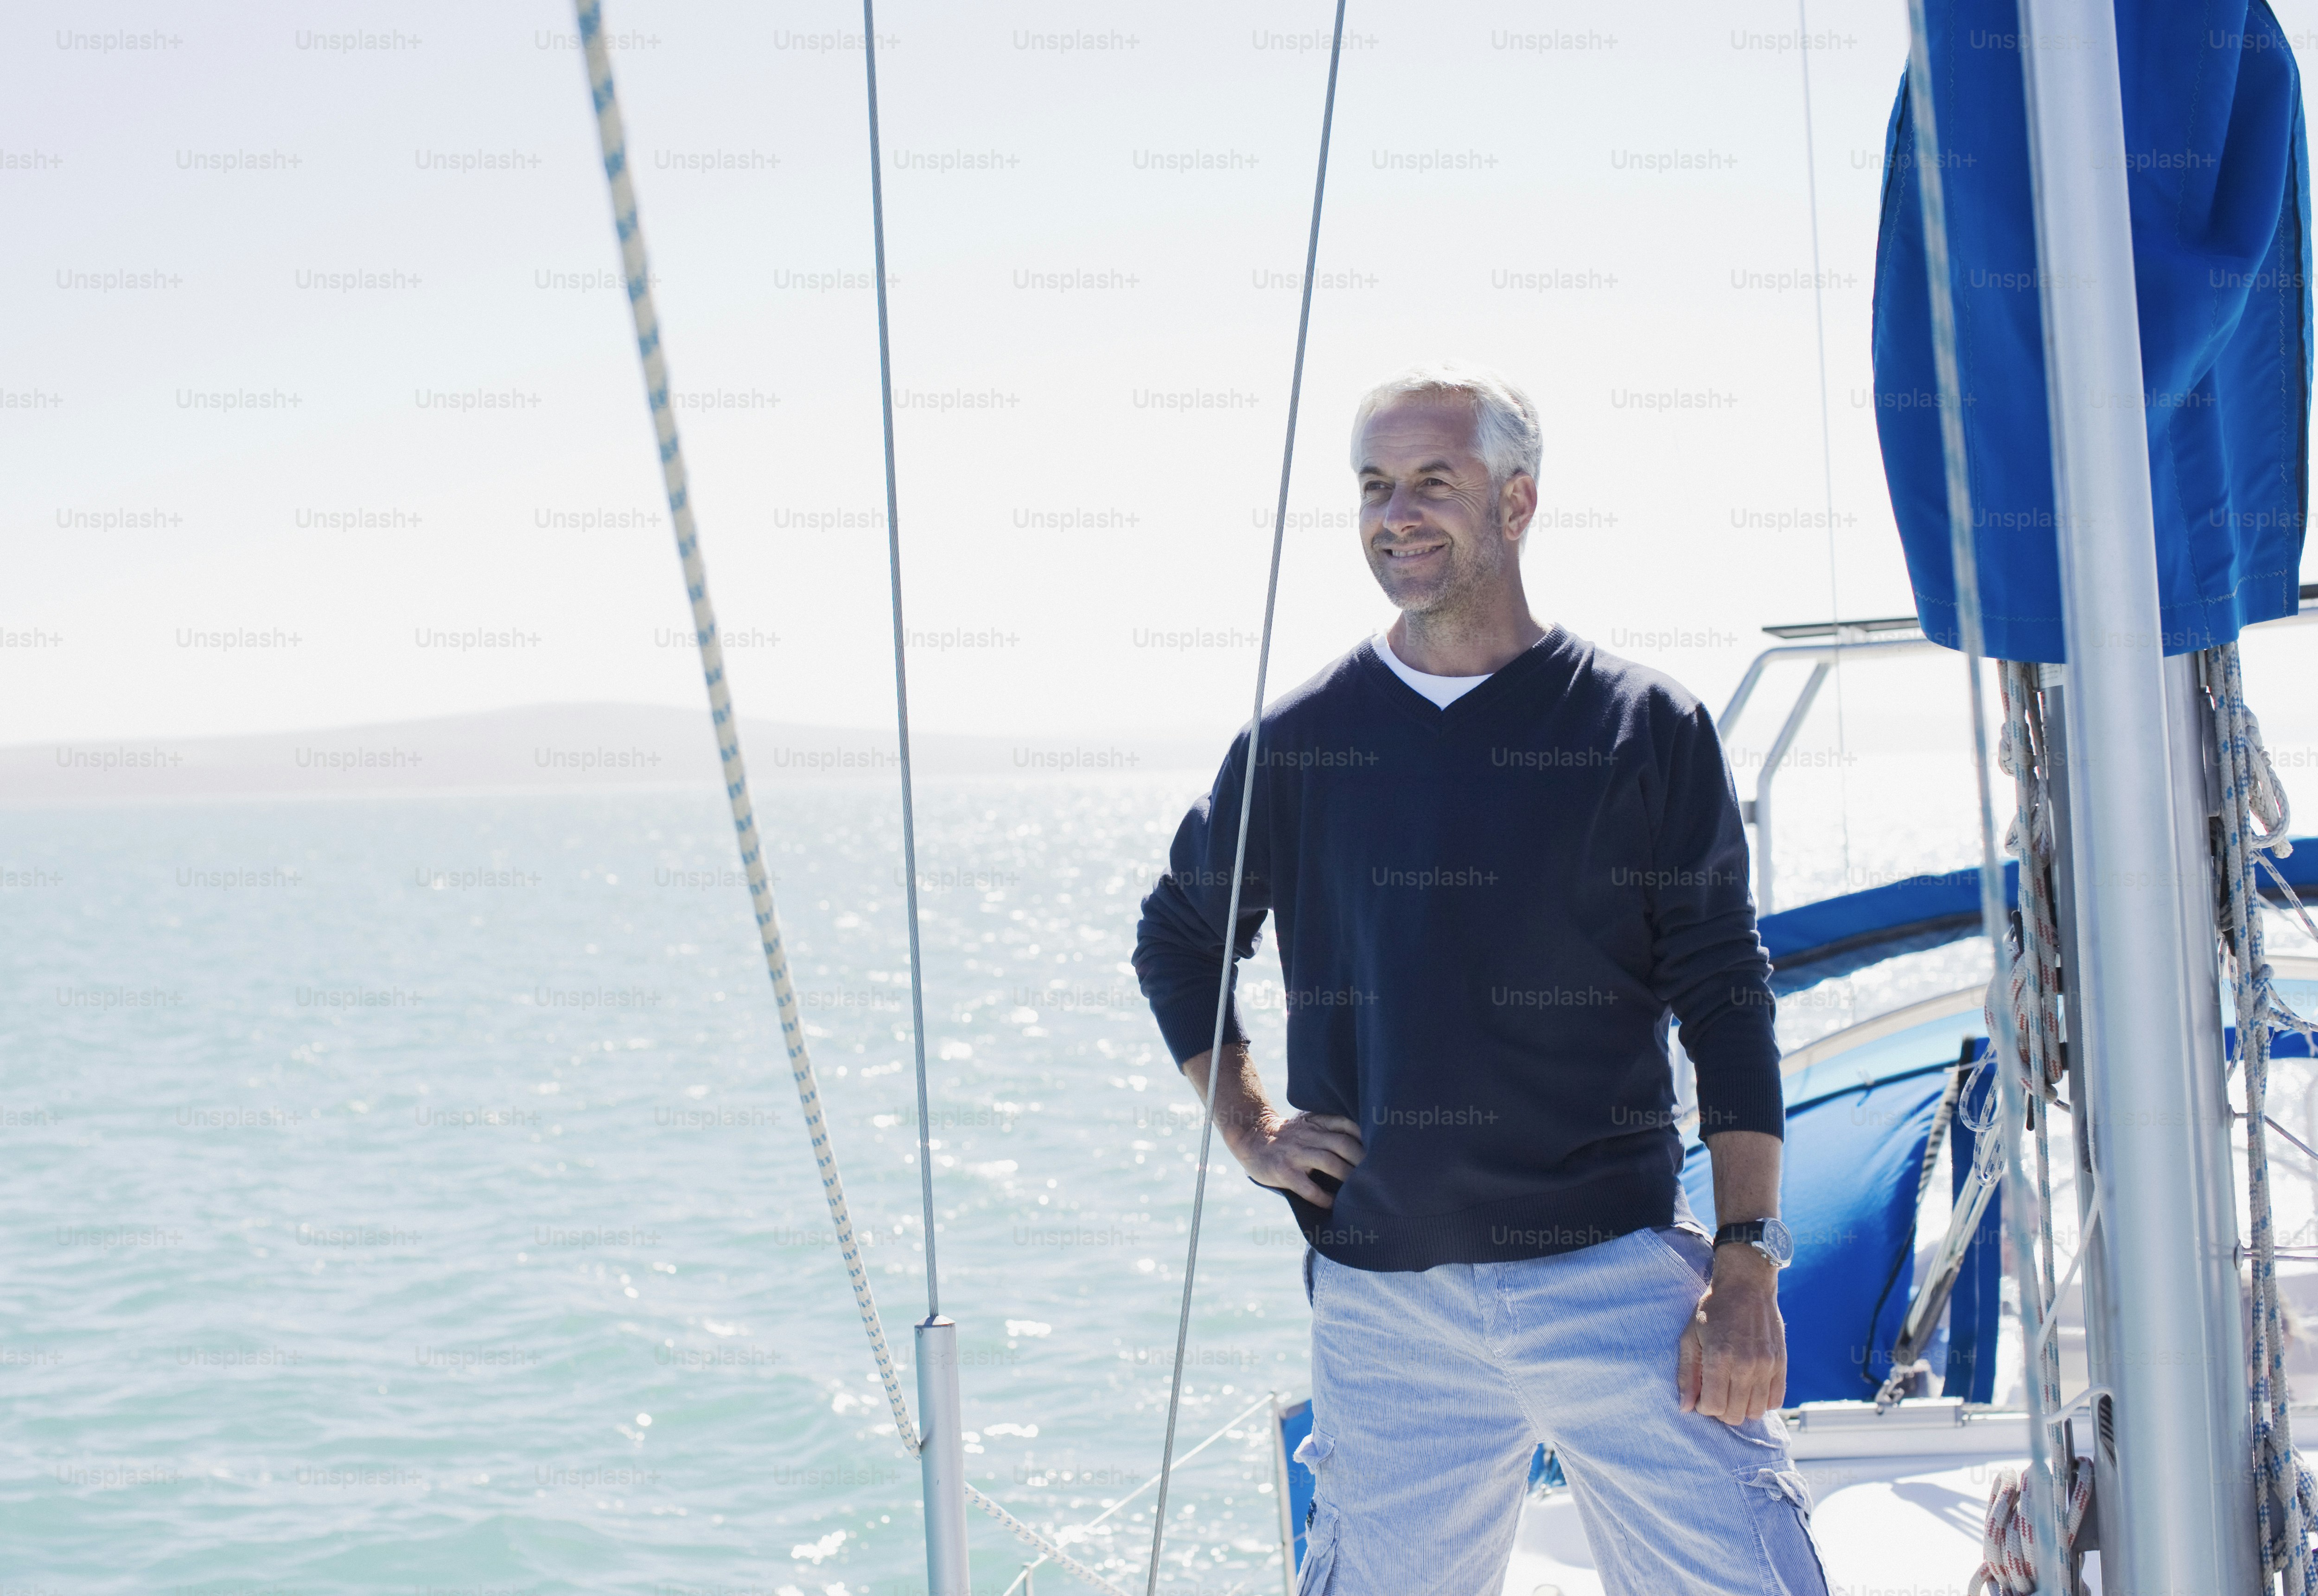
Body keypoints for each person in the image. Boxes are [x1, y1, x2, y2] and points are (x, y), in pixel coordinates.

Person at [1133, 362, 1828, 1594]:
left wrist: (1746, 1258)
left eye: (1432, 482)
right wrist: (1246, 1124)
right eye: (1373, 486)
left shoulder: (1644, 727)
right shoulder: (1300, 746)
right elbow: (1179, 936)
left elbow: (1728, 994)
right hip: (1388, 1307)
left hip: (1614, 1280)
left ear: (1517, 503)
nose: (1396, 513)